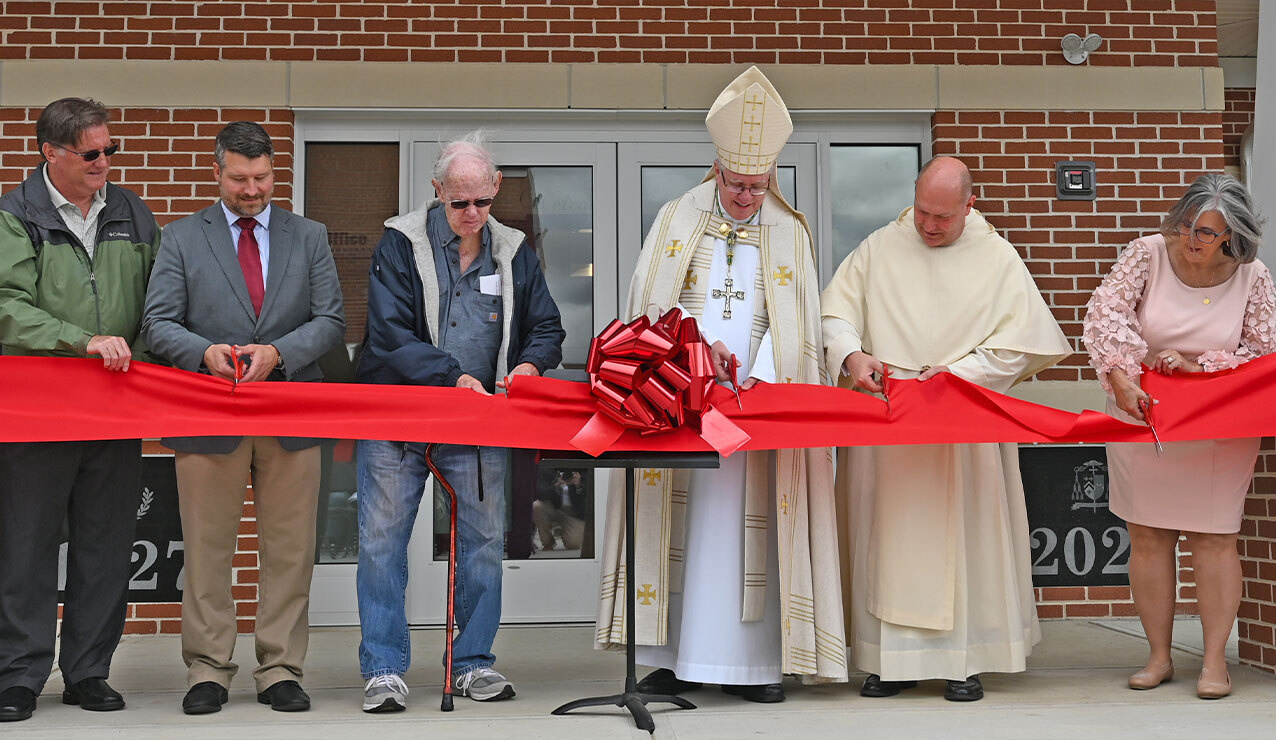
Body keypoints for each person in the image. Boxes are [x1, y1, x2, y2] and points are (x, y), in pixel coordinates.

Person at [595, 66, 848, 703]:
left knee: (746, 528)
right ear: (716, 169)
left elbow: (800, 327)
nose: (745, 199)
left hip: (752, 409)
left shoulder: (791, 233)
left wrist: (759, 372)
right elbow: (648, 307)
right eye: (737, 186)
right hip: (679, 398)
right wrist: (690, 355)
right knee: (677, 523)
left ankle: (753, 666)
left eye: (758, 188)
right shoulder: (677, 218)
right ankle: (666, 655)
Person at [821, 156, 1071, 702]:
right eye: (923, 214)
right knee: (888, 535)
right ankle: (889, 661)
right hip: (890, 427)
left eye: (943, 217)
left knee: (966, 540)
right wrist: (852, 355)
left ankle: (966, 660)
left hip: (963, 426)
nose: (930, 226)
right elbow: (834, 315)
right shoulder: (878, 247)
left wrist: (959, 374)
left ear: (969, 205)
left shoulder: (997, 257)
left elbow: (1019, 344)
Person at [355, 132, 564, 713]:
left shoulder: (515, 248)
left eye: (483, 201)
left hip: (479, 420)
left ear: (495, 188)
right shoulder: (399, 241)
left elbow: (547, 326)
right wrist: (451, 376)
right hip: (399, 414)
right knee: (380, 541)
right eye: (459, 203)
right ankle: (384, 670)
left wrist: (526, 363)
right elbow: (390, 332)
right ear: (437, 191)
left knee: (483, 543)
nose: (472, 214)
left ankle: (472, 663)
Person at [141, 121, 345, 715]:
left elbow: (331, 319)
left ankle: (280, 667)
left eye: (261, 178)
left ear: (274, 172)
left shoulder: (310, 235)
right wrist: (203, 353)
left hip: (291, 409)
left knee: (290, 549)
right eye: (239, 179)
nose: (251, 189)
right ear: (217, 173)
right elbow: (158, 323)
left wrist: (279, 353)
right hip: (209, 411)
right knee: (207, 549)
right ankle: (207, 669)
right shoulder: (180, 238)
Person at [1082, 174, 1274, 699]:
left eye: (1207, 232)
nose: (1192, 239)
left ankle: (1215, 662)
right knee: (1147, 536)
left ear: (1232, 234)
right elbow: (1105, 316)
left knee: (1215, 538)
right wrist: (1120, 374)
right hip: (1141, 410)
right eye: (1187, 224)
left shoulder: (1253, 276)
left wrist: (1201, 367)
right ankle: (1159, 656)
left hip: (1218, 421)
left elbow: (1262, 352)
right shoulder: (1147, 254)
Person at [0, 98, 158, 723]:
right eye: (91, 153)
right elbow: (6, 304)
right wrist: (81, 340)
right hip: (38, 411)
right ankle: (18, 675)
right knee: (26, 545)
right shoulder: (14, 216)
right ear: (50, 153)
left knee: (105, 545)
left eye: (109, 151)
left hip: (115, 411)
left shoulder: (132, 212)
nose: (104, 164)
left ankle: (89, 671)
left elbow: (157, 301)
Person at [533, 470, 586, 552]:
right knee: (536, 506)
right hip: (554, 508)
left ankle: (564, 531)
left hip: (573, 514)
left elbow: (588, 498)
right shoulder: (548, 469)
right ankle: (548, 542)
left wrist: (579, 486)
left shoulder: (582, 471)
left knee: (574, 544)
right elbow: (540, 494)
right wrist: (556, 486)